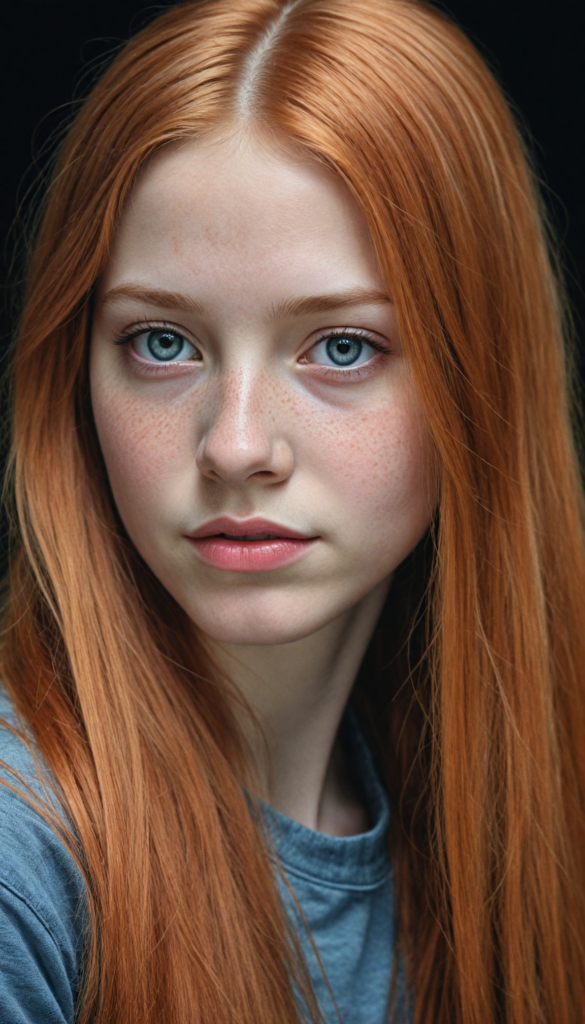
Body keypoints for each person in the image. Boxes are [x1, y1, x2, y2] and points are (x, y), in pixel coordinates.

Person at [1, 0, 584, 1021]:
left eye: (341, 348)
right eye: (162, 342)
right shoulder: (23, 867)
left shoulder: (512, 820)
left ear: (479, 372)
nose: (235, 446)